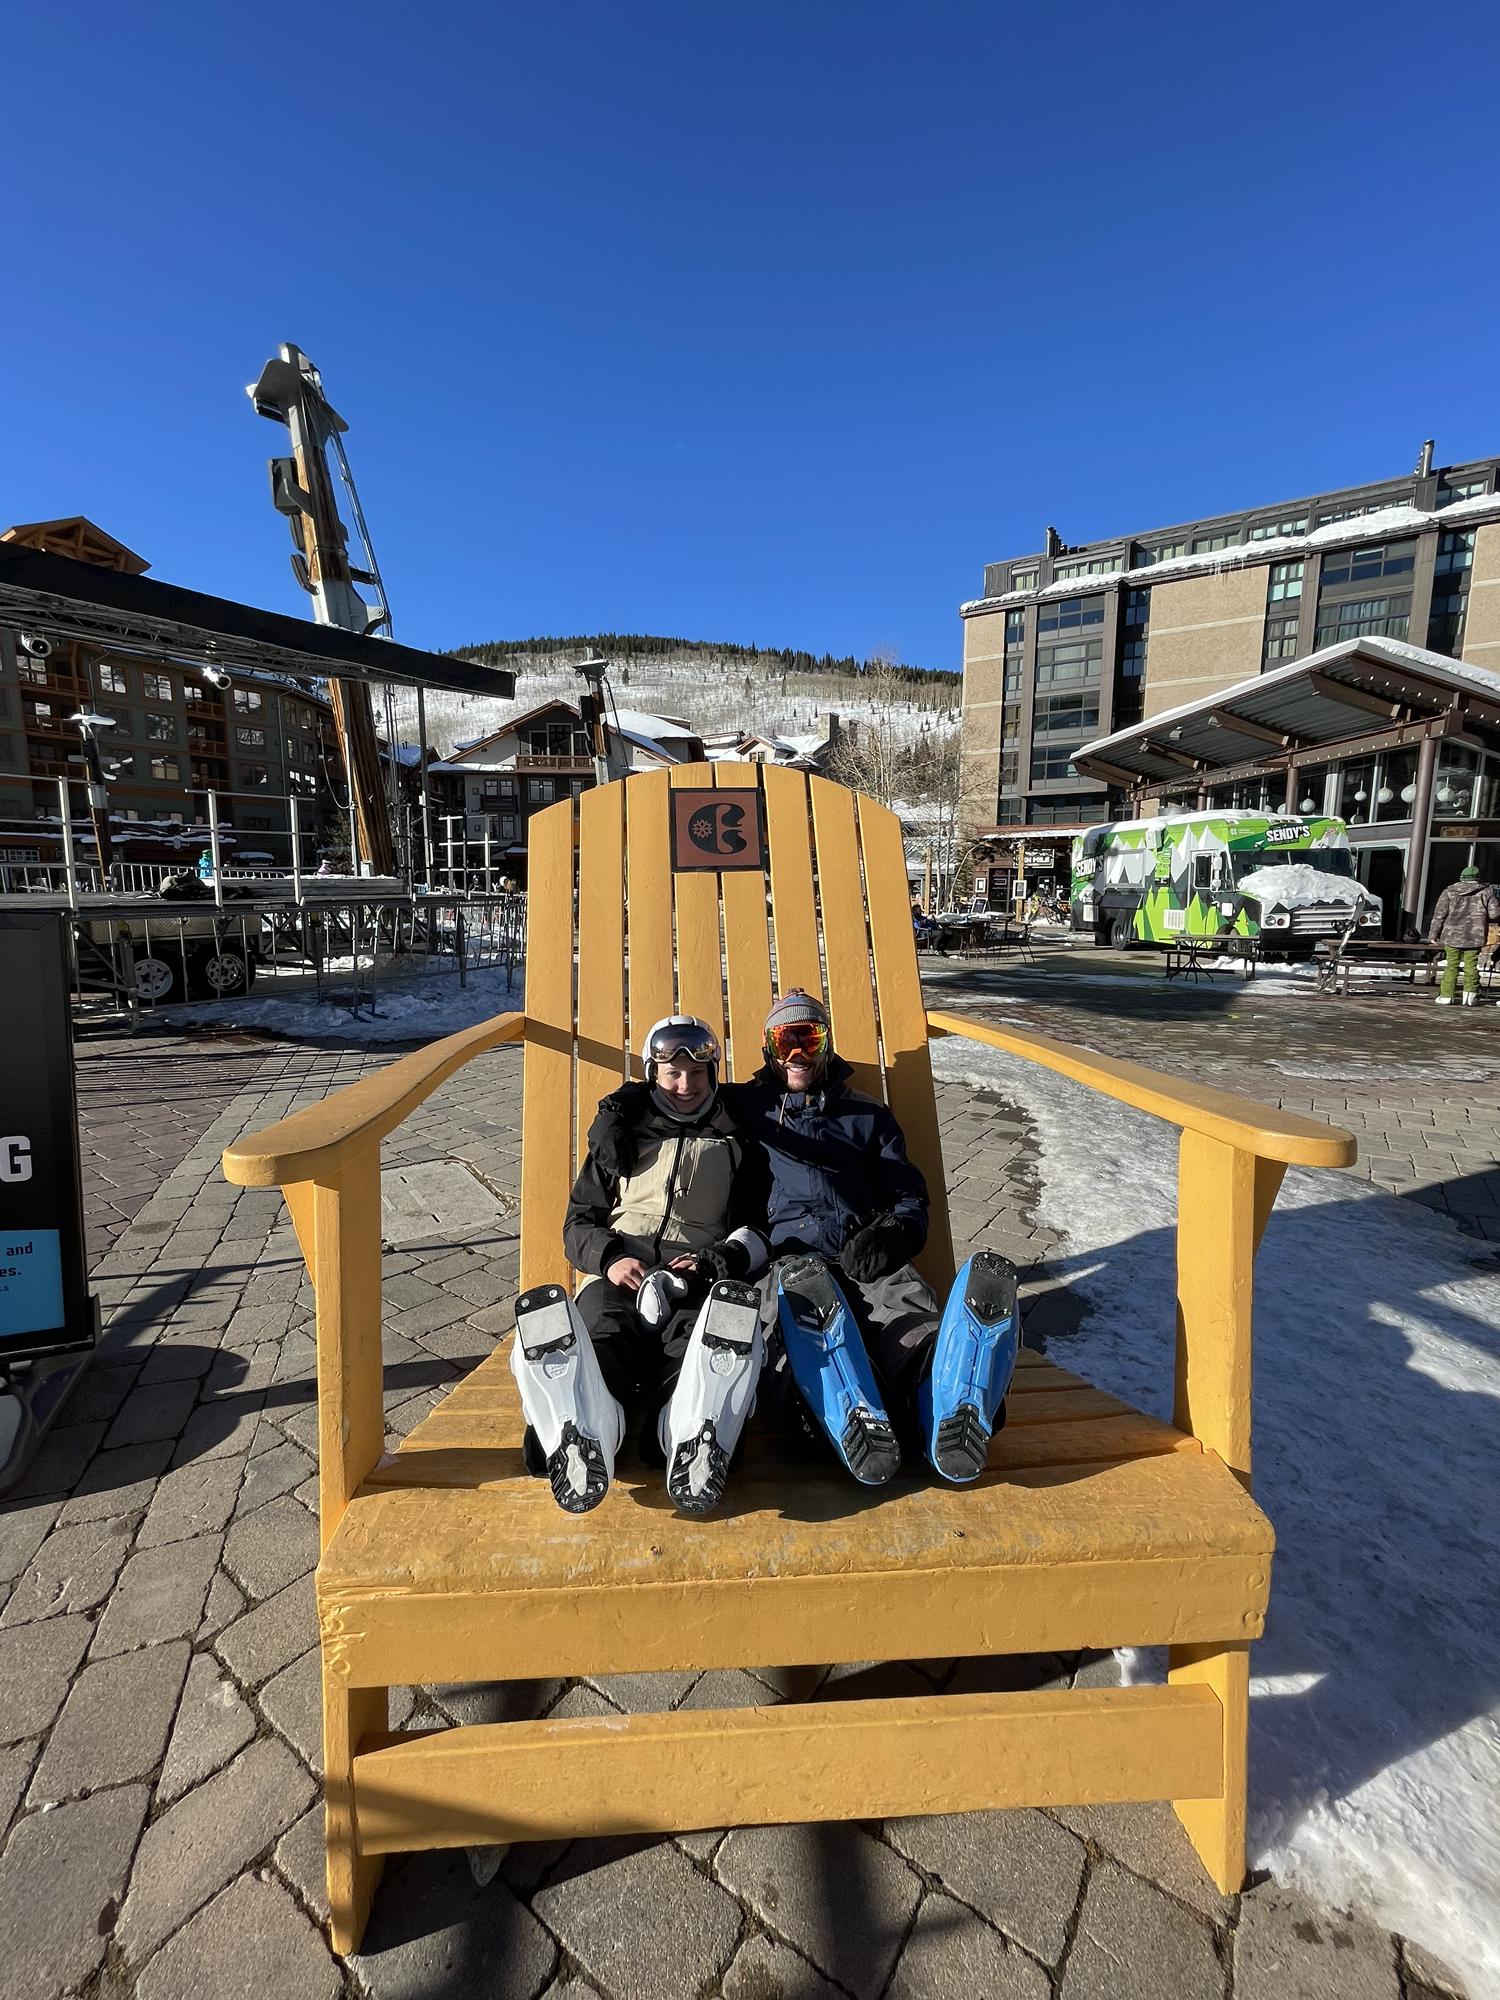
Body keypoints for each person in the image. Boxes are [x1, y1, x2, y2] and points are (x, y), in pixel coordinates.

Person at [726, 990, 1018, 1488]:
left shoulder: (867, 1116)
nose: (798, 1055)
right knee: (791, 1327)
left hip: (865, 1255)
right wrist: (624, 1109)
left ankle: (942, 1397)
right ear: (768, 1049)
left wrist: (892, 1236)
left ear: (826, 1045)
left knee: (905, 1319)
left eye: (809, 1040)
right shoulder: (745, 1110)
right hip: (790, 1263)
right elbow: (676, 1097)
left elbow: (909, 1197)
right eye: (786, 1041)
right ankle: (830, 1414)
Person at [509, 1016, 769, 1515]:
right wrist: (609, 1259)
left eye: (697, 1073)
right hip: (620, 1272)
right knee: (605, 1332)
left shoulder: (737, 1140)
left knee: (695, 1340)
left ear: (714, 1071)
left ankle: (686, 1429)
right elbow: (578, 1223)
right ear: (653, 1073)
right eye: (672, 1074)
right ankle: (590, 1425)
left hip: (693, 1276)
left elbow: (756, 1226)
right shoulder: (623, 1134)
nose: (685, 1085)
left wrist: (715, 1262)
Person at [1428, 865, 1500, 1007]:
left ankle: (1446, 996)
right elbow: (1495, 914)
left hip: (1452, 935)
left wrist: (1433, 934)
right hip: (1475, 935)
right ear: (1477, 879)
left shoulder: (1449, 892)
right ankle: (1470, 996)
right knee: (1471, 965)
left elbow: (1439, 915)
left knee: (1451, 966)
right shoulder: (1485, 892)